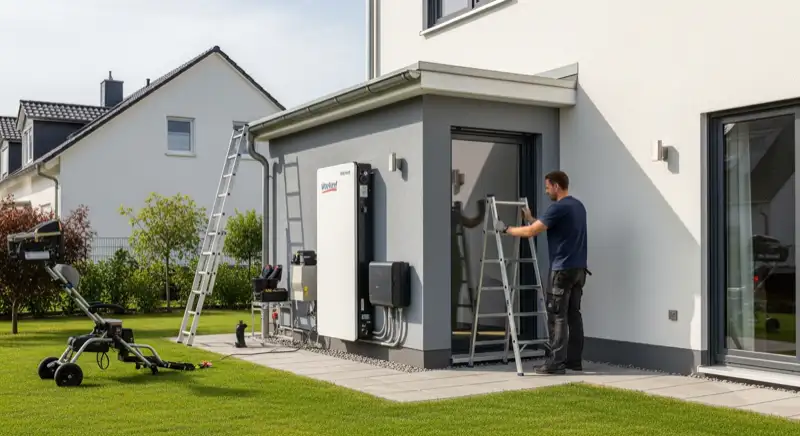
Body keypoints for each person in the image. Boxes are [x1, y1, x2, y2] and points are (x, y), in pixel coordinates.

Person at [495, 170, 589, 375]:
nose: (547, 192)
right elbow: (550, 226)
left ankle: (555, 363)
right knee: (574, 315)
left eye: (547, 188)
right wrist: (531, 218)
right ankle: (574, 361)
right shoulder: (578, 206)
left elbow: (531, 232)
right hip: (579, 270)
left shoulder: (559, 207)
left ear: (556, 186)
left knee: (557, 316)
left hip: (561, 271)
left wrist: (505, 229)